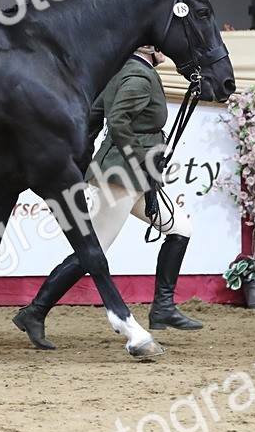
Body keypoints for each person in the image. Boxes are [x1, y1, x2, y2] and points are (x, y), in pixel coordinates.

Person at [12, 45, 200, 350]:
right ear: (148, 48)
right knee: (92, 250)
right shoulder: (137, 76)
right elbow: (117, 121)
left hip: (134, 178)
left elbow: (94, 115)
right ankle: (35, 311)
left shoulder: (124, 72)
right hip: (120, 177)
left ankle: (163, 307)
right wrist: (140, 159)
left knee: (180, 229)